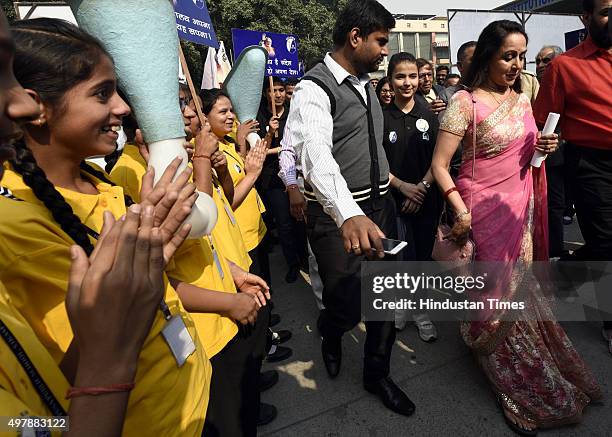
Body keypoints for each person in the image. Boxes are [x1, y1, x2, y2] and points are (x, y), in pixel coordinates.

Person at [1, 18, 213, 436]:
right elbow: (60, 381)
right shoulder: (18, 227)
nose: (123, 107)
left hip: (186, 402)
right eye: (102, 94)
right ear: (37, 108)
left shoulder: (102, 184)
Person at [432, 20, 601, 435]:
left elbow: (526, 156)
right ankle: (508, 379)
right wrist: (461, 211)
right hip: (482, 210)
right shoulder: (465, 103)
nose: (516, 65)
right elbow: (439, 165)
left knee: (518, 291)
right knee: (492, 299)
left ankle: (527, 362)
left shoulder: (523, 100)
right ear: (488, 55)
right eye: (508, 56)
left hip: (519, 208)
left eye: (521, 57)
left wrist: (542, 147)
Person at [283, 0, 416, 416]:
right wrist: (348, 214)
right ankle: (331, 331)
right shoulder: (313, 89)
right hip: (338, 218)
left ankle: (377, 374)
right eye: (380, 42)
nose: (384, 51)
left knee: (384, 300)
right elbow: (316, 159)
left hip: (380, 210)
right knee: (344, 304)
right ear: (355, 37)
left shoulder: (365, 84)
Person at [534, 0, 612, 354]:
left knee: (601, 248)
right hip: (591, 166)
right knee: (607, 244)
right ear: (586, 18)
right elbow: (541, 121)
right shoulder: (565, 66)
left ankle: (562, 270)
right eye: (606, 10)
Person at [382, 52, 441, 340]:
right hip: (393, 201)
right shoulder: (380, 118)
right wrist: (402, 187)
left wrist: (420, 189)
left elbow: (439, 160)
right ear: (390, 80)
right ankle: (404, 308)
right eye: (400, 76)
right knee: (401, 258)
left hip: (427, 199)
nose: (407, 83)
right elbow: (378, 162)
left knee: (421, 259)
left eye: (413, 76)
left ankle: (421, 311)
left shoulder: (431, 115)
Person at [256, 77, 304, 283]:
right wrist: (270, 134)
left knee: (300, 221)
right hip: (273, 180)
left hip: (297, 175)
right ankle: (292, 263)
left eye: (281, 90)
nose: (278, 94)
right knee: (283, 223)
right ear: (266, 93)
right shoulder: (260, 118)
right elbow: (257, 151)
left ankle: (304, 259)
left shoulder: (295, 115)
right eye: (273, 90)